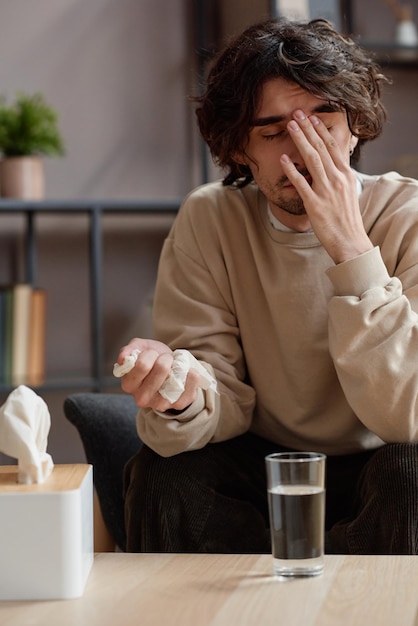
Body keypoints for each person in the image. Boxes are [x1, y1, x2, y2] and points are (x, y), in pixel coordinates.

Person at [116, 17, 418, 554]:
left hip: (383, 454)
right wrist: (178, 393)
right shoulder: (210, 219)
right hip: (260, 457)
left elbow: (407, 414)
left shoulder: (407, 214)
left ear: (355, 126)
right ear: (239, 150)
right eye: (274, 132)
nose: (303, 150)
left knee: (412, 472)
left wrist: (350, 245)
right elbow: (221, 393)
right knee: (163, 474)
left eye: (324, 118)